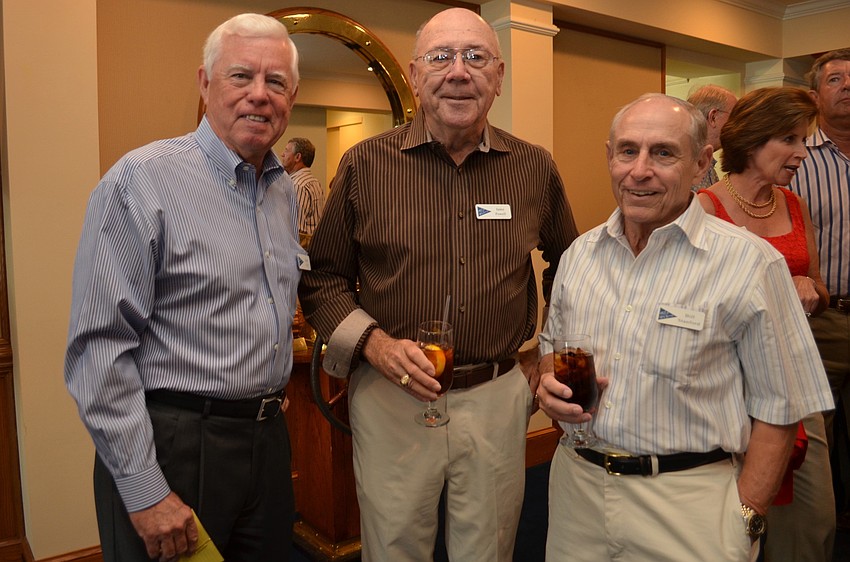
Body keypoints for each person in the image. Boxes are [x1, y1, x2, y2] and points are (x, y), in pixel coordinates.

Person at [298, 7, 577, 561]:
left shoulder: (533, 167)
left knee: (490, 548)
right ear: (415, 73)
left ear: (498, 77)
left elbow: (573, 264)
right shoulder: (364, 165)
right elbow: (324, 278)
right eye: (441, 57)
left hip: (498, 397)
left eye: (476, 57)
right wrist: (374, 345)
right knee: (395, 547)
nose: (458, 72)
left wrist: (547, 354)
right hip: (391, 398)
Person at [537, 93, 833, 562]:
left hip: (689, 504)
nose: (639, 170)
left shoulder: (751, 264)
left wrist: (747, 517)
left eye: (663, 153)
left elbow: (782, 407)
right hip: (579, 493)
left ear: (700, 165)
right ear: (609, 157)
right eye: (628, 150)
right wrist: (548, 392)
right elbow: (551, 361)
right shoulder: (579, 258)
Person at [64, 13, 301, 561]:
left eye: (276, 82)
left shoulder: (282, 192)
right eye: (241, 76)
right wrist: (145, 492)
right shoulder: (140, 181)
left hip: (264, 443)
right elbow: (99, 351)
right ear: (204, 83)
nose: (259, 96)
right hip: (174, 446)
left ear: (292, 96)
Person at [697, 86, 833, 562]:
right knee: (735, 523)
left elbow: (819, 286)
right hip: (727, 390)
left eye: (804, 140)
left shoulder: (794, 206)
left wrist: (810, 290)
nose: (801, 153)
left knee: (813, 523)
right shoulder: (705, 209)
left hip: (793, 381)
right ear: (753, 139)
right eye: (790, 140)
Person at [789, 48, 850, 524]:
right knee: (817, 442)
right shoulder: (796, 160)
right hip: (820, 322)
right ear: (815, 95)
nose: (847, 85)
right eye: (835, 79)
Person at [687, 84, 737, 190]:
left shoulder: (706, 160)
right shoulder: (689, 164)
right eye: (735, 116)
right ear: (713, 117)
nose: (738, 125)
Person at [281, 137, 325, 247]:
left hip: (302, 253)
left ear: (297, 157)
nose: (282, 154)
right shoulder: (314, 182)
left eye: (286, 151)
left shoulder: (297, 185)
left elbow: (298, 231)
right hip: (317, 247)